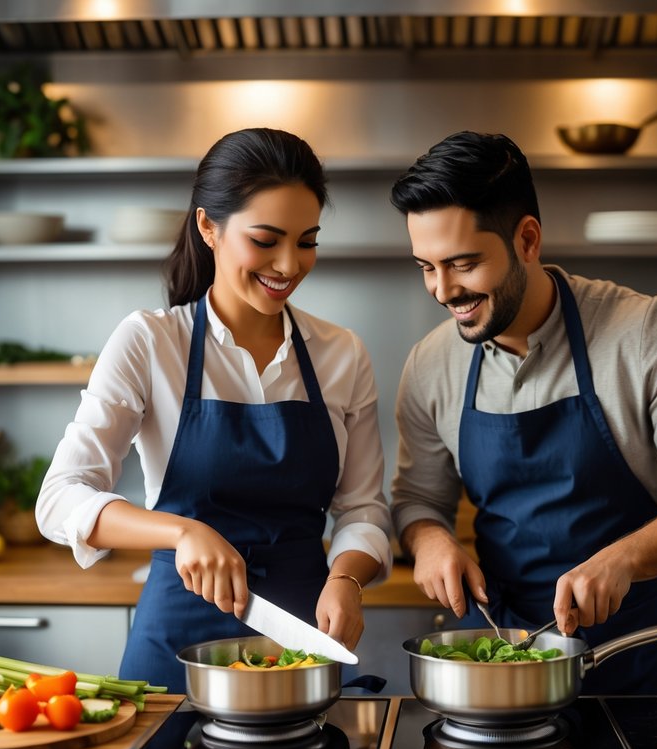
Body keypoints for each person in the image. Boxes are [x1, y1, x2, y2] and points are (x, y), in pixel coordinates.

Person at [388, 131, 657, 695]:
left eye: (464, 264)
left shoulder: (642, 333)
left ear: (527, 239)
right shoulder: (431, 364)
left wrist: (626, 559)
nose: (443, 291)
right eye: (426, 267)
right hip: (499, 664)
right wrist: (430, 542)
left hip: (632, 658)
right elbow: (418, 500)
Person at [37, 127, 392, 692]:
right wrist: (180, 532)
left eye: (306, 240)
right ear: (209, 226)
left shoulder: (341, 354)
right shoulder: (152, 342)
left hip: (299, 641)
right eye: (266, 239)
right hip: (176, 648)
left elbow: (364, 510)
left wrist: (347, 578)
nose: (289, 264)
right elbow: (59, 499)